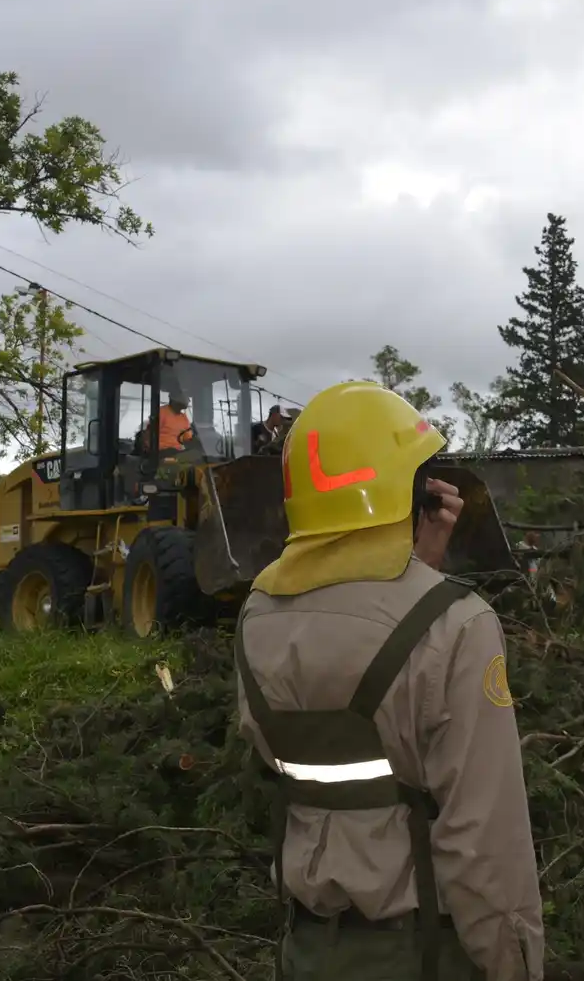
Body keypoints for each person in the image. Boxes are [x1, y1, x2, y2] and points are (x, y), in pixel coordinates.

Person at [235, 379, 544, 981]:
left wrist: (413, 568)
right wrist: (516, 965)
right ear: (412, 488)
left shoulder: (256, 616)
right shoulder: (456, 624)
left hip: (304, 951)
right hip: (421, 953)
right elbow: (484, 840)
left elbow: (338, 682)